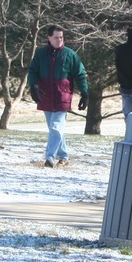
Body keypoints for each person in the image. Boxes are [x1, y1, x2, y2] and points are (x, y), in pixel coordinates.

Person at [27, 25, 89, 168]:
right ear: (49, 38)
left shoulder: (70, 55)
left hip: (63, 96)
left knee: (56, 127)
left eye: (61, 37)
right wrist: (33, 86)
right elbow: (33, 71)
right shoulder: (41, 54)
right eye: (56, 37)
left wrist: (84, 93)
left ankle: (50, 157)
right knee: (55, 129)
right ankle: (64, 156)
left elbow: (80, 74)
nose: (59, 40)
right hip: (45, 95)